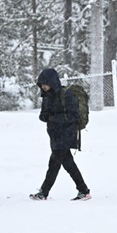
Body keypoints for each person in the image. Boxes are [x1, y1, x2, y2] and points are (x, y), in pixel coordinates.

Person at [29, 68, 91, 201]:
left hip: (67, 133)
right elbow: (43, 116)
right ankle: (84, 190)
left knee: (54, 164)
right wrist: (45, 116)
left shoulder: (66, 95)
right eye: (42, 84)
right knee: (68, 164)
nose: (44, 87)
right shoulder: (46, 97)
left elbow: (74, 115)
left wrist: (54, 118)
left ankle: (44, 192)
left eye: (46, 83)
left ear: (52, 82)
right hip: (54, 135)